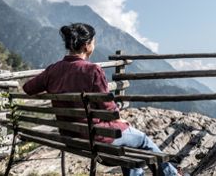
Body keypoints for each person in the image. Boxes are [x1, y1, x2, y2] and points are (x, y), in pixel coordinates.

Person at [22, 23, 180, 176]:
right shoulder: (92, 70)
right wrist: (121, 121)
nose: (94, 45)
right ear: (86, 45)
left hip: (70, 137)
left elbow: (28, 88)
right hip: (96, 138)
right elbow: (108, 109)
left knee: (134, 152)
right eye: (94, 42)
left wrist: (55, 94)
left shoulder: (53, 70)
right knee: (143, 140)